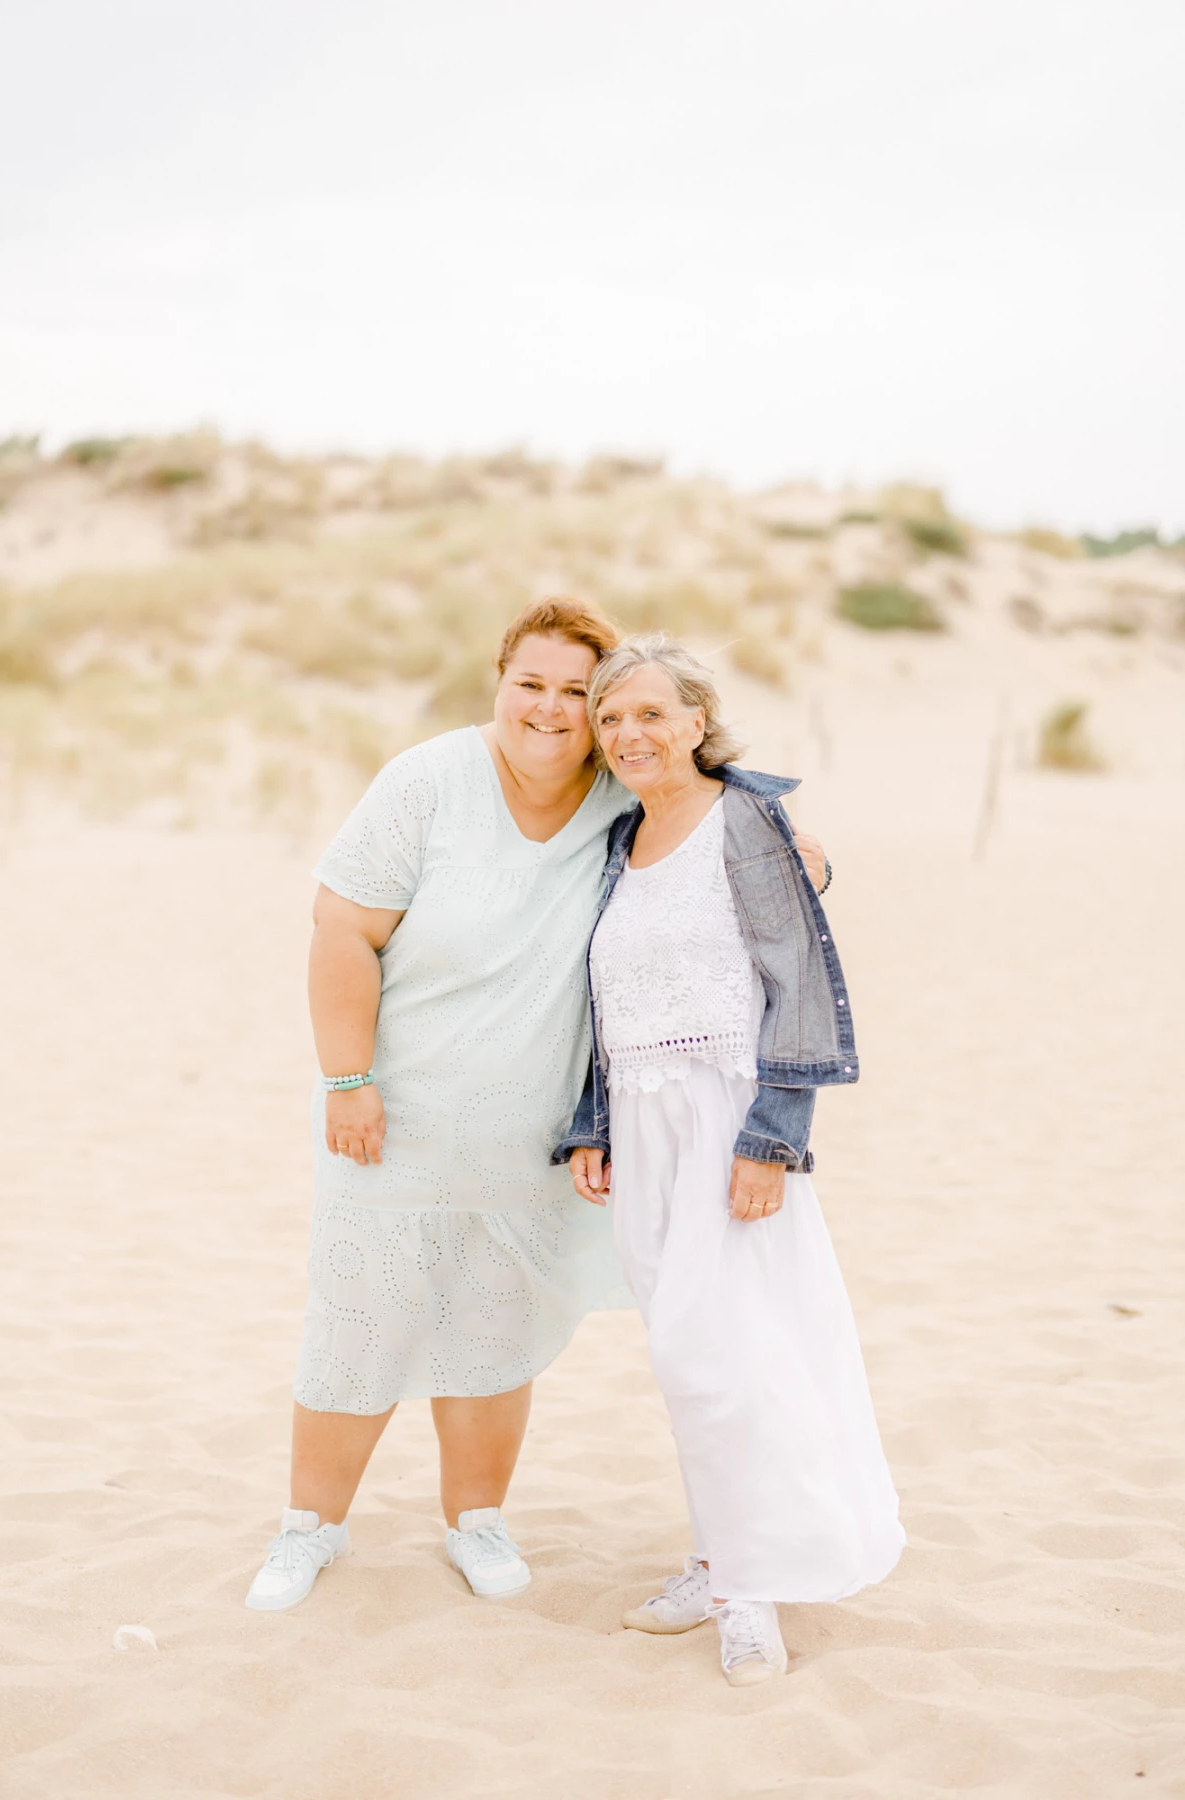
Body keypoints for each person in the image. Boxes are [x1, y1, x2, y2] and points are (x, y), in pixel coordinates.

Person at [245, 596, 836, 1613]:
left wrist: (792, 858)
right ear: (500, 680)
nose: (554, 710)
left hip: (538, 1138)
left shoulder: (623, 791)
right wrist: (348, 1079)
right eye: (534, 684)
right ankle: (310, 1530)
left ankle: (476, 1522)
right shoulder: (427, 781)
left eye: (579, 693)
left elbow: (751, 833)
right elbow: (340, 931)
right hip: (392, 1120)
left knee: (494, 1327)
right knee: (359, 1322)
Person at [560, 633, 904, 1687]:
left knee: (729, 1359)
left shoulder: (746, 821)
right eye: (611, 718)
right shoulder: (617, 841)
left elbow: (796, 981)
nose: (629, 735)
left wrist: (775, 1140)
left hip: (729, 1123)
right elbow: (604, 998)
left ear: (698, 721)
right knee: (686, 1359)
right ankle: (717, 1558)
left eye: (651, 714)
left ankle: (749, 1593)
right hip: (646, 1134)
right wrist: (595, 1120)